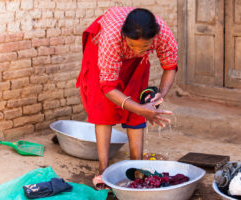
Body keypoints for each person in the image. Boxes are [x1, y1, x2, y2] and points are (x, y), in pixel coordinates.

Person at [76, 7, 178, 190]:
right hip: (101, 52)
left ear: (155, 37)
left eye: (145, 47)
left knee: (138, 101)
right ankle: (103, 168)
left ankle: (137, 165)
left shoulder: (163, 34)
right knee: (103, 108)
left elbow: (170, 66)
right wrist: (142, 110)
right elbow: (107, 87)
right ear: (124, 36)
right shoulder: (110, 39)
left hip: (135, 64)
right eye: (133, 46)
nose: (139, 51)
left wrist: (160, 95)